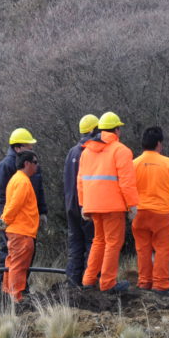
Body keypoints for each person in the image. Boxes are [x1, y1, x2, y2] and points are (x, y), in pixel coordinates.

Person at [78, 111, 139, 293]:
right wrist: (132, 206)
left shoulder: (87, 151)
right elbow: (127, 182)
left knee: (99, 241)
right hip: (112, 206)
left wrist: (83, 204)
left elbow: (80, 180)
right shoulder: (121, 151)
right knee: (113, 243)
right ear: (117, 130)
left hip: (93, 205)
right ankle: (108, 283)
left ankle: (88, 280)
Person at [132, 126, 169, 293]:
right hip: (162, 214)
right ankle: (161, 285)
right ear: (159, 144)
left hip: (139, 213)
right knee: (163, 250)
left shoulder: (133, 164)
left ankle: (144, 283)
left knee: (142, 249)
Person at [0, 128, 46, 275]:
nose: (31, 149)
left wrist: (42, 212)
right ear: (17, 147)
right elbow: (2, 197)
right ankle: (6, 292)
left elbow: (39, 190)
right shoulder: (6, 165)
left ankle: (20, 288)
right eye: (28, 146)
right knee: (9, 253)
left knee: (27, 254)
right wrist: (5, 219)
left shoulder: (32, 163)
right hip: (13, 222)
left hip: (28, 220)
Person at [62, 114, 99, 287]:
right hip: (86, 206)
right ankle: (89, 283)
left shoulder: (71, 152)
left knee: (75, 246)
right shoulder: (90, 152)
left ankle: (72, 284)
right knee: (92, 243)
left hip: (70, 206)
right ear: (94, 130)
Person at [0, 150, 41, 304]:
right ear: (27, 164)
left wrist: (4, 221)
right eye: (35, 163)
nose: (37, 166)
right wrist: (5, 220)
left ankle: (7, 292)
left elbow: (9, 204)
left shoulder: (15, 179)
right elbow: (15, 204)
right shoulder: (23, 181)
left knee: (11, 262)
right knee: (18, 265)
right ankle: (16, 298)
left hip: (16, 231)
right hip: (21, 232)